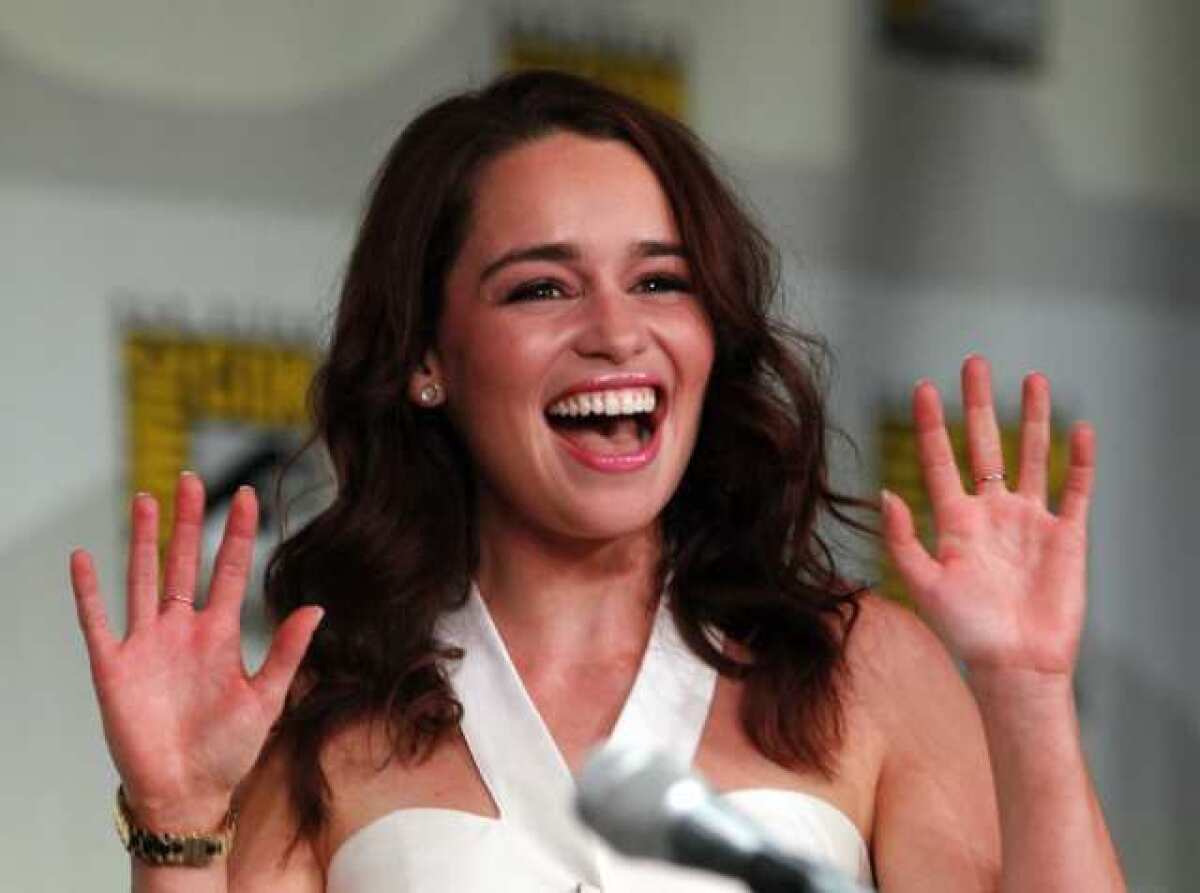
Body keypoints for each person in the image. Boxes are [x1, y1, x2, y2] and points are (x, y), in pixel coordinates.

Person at [70, 70, 1126, 891]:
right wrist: (175, 813)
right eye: (542, 288)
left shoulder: (863, 668)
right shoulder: (326, 709)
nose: (617, 332)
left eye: (661, 280)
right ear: (425, 360)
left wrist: (1028, 694)